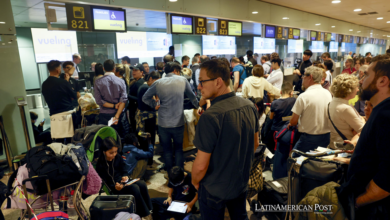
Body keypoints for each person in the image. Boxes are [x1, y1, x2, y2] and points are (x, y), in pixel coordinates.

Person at [192, 59, 259, 220]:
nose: (199, 86)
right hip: (240, 182)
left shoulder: (210, 116)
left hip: (214, 188)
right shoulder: (249, 106)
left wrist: (195, 181)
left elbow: (200, 166)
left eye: (202, 82)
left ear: (218, 82)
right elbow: (255, 144)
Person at [337, 55, 390, 220]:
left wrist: (357, 203)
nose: (360, 80)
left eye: (366, 75)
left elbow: (387, 178)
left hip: (374, 210)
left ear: (382, 81)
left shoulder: (386, 116)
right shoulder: (380, 111)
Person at [142, 62, 198, 175]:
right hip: (178, 122)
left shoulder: (158, 82)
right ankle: (179, 174)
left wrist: (154, 104)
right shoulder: (182, 80)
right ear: (175, 70)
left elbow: (145, 98)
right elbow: (192, 97)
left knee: (167, 150)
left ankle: (170, 174)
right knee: (178, 150)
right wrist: (199, 106)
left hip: (163, 122)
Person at [95, 137, 153, 218]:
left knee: (142, 183)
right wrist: (116, 187)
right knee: (134, 188)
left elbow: (124, 169)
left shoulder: (117, 157)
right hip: (115, 186)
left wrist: (124, 176)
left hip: (123, 182)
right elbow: (105, 183)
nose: (114, 154)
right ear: (104, 152)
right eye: (111, 153)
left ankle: (150, 209)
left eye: (115, 152)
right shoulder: (100, 164)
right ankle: (145, 214)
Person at [288, 66, 332, 155]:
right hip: (326, 136)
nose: (302, 78)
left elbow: (293, 121)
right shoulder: (328, 93)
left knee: (294, 159)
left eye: (304, 76)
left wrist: (290, 123)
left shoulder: (304, 96)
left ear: (310, 77)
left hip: (309, 138)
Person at [328, 74, 365, 149]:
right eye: (356, 87)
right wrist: (363, 120)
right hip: (345, 147)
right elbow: (364, 130)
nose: (358, 90)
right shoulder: (345, 108)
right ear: (349, 90)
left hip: (334, 145)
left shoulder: (332, 103)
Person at [94, 59, 127, 130]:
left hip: (105, 115)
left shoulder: (98, 82)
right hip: (119, 114)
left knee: (106, 138)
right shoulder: (121, 81)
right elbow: (123, 100)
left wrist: (114, 106)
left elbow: (98, 101)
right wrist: (116, 116)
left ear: (103, 69)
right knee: (119, 138)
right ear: (114, 69)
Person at [137, 71, 160, 154]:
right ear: (150, 79)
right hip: (147, 117)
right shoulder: (146, 88)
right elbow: (148, 104)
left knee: (146, 138)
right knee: (149, 138)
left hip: (145, 116)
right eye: (156, 81)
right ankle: (149, 161)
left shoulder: (144, 86)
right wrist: (155, 106)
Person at [128, 64, 145, 132]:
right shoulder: (135, 81)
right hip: (133, 109)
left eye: (136, 70)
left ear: (141, 72)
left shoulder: (140, 83)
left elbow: (140, 99)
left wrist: (127, 96)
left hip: (137, 110)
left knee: (137, 130)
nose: (133, 72)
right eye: (133, 70)